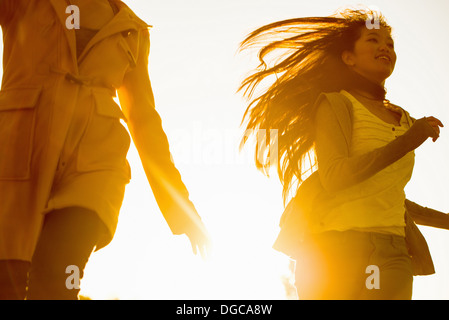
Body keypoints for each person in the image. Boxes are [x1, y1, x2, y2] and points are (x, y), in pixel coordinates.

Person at [0, 0, 209, 300]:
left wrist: (182, 209)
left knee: (57, 273)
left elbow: (144, 120)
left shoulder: (132, 29)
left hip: (96, 167)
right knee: (9, 283)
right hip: (18, 157)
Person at [239, 8, 448, 299]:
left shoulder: (407, 121)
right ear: (349, 58)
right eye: (373, 40)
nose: (385, 47)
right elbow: (335, 176)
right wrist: (408, 142)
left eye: (390, 43)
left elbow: (389, 196)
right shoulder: (336, 105)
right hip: (334, 251)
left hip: (393, 252)